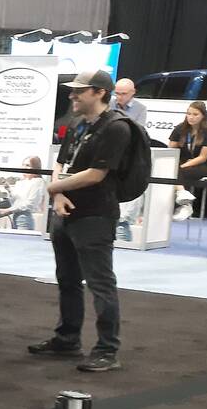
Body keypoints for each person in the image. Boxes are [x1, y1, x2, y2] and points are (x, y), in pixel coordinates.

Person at [30, 69, 128, 372]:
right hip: (67, 214)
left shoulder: (116, 128)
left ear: (99, 92)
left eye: (79, 91)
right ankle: (67, 338)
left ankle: (107, 350)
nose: (72, 95)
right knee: (68, 279)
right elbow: (61, 163)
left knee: (100, 284)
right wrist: (58, 195)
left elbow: (97, 174)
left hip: (96, 216)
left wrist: (54, 188)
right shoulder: (76, 125)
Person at [169, 101, 207, 194]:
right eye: (189, 114)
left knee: (180, 172)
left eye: (195, 114)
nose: (191, 117)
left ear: (203, 116)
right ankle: (182, 195)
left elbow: (203, 157)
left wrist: (182, 166)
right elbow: (171, 149)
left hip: (205, 164)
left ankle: (182, 195)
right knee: (170, 170)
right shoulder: (180, 128)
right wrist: (174, 163)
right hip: (183, 161)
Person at [7, 155, 48, 230]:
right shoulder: (19, 182)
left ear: (35, 167)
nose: (24, 167)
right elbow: (14, 202)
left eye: (28, 165)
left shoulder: (38, 181)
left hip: (24, 218)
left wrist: (8, 210)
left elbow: (31, 203)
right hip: (14, 216)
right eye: (23, 165)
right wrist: (9, 190)